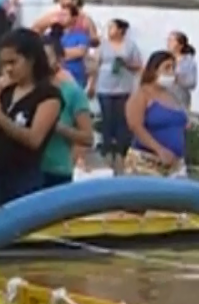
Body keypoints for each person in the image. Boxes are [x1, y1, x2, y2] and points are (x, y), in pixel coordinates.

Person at [0, 29, 62, 203]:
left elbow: (34, 139)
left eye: (13, 62)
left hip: (22, 181)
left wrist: (2, 120)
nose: (8, 69)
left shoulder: (48, 95)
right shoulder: (7, 91)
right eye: (4, 64)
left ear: (31, 59)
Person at [124, 51, 188, 177]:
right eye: (167, 67)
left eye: (173, 68)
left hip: (176, 165)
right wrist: (159, 149)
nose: (171, 72)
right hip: (147, 162)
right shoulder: (142, 95)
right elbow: (135, 125)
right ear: (154, 70)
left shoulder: (173, 96)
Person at [40, 36, 94, 187]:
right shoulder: (24, 90)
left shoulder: (72, 92)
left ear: (60, 60)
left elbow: (88, 138)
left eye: (46, 57)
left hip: (56, 170)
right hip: (26, 169)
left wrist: (58, 127)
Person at [91, 18, 141, 173]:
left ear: (120, 30)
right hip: (104, 88)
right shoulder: (103, 45)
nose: (109, 30)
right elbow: (95, 65)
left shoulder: (130, 46)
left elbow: (138, 66)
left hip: (123, 89)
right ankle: (107, 153)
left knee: (122, 121)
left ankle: (121, 153)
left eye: (112, 27)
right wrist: (92, 84)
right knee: (107, 120)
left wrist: (125, 63)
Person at [31, 0, 100, 45]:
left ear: (75, 0)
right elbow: (36, 28)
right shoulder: (55, 16)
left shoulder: (85, 19)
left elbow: (94, 39)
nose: (62, 2)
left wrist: (83, 41)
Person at [55, 6, 92, 88]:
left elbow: (80, 52)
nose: (61, 18)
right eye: (60, 15)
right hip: (57, 79)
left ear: (74, 18)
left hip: (76, 78)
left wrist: (57, 52)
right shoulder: (54, 34)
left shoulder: (81, 34)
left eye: (65, 15)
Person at [167, 31, 198, 109]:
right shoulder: (165, 58)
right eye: (168, 40)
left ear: (180, 45)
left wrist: (176, 78)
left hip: (180, 99)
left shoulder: (188, 61)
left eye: (171, 41)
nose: (168, 43)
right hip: (164, 98)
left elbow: (192, 83)